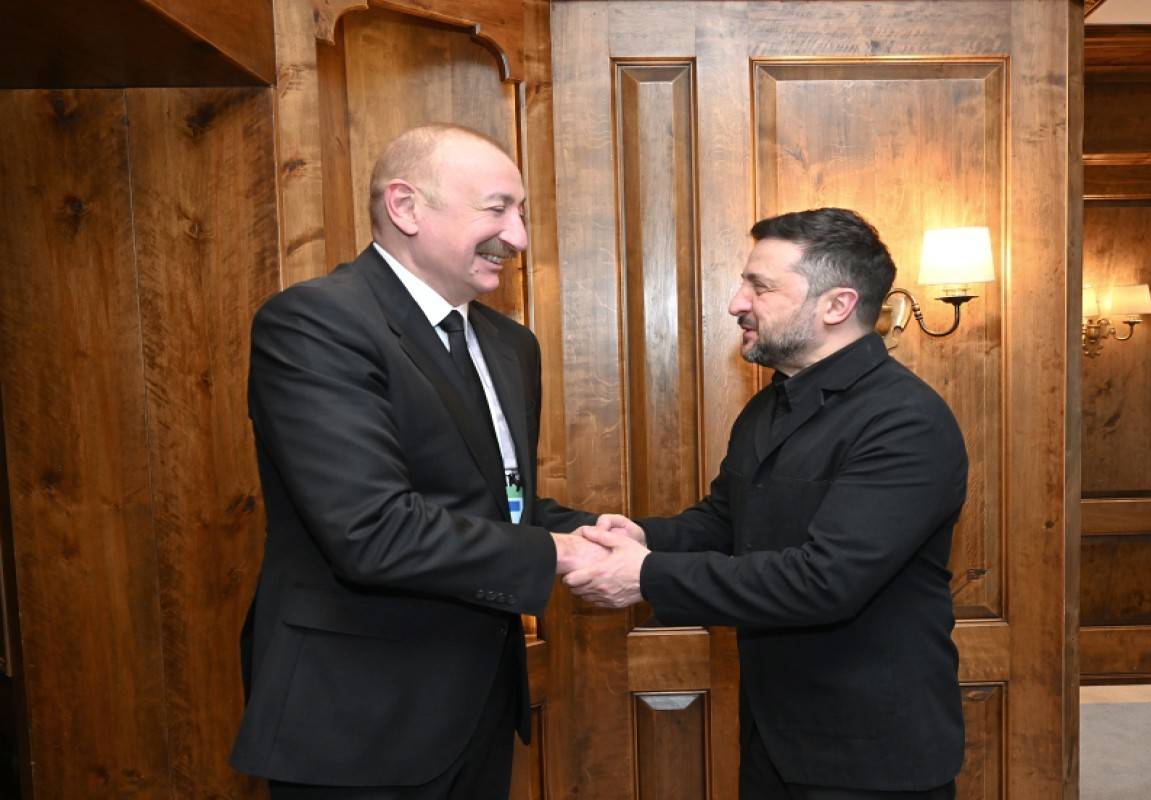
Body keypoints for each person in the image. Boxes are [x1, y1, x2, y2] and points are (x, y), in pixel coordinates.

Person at [231, 124, 602, 799]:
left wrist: (612, 538)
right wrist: (561, 554)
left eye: (521, 213)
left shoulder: (510, 344)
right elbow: (372, 529)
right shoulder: (317, 323)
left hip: (479, 710)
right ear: (405, 207)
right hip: (359, 722)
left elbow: (497, 507)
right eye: (497, 209)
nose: (518, 237)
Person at [566, 208, 968, 799]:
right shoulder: (768, 406)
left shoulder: (906, 421)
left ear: (836, 305)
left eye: (760, 286)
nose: (737, 303)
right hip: (773, 738)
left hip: (871, 756)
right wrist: (642, 539)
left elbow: (824, 581)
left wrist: (645, 575)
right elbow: (726, 521)